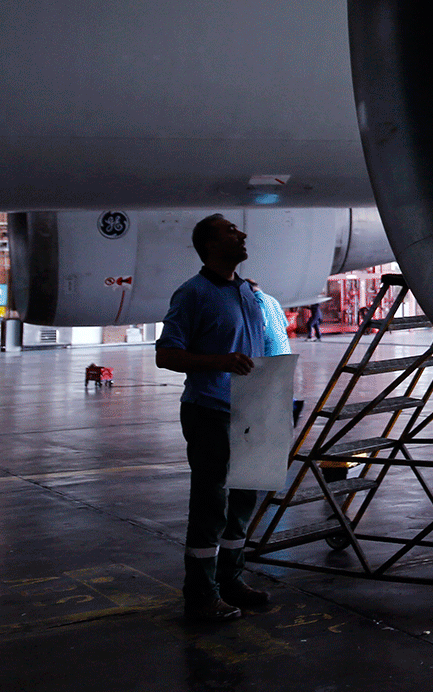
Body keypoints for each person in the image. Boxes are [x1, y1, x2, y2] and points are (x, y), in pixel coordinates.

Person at [155, 214, 273, 621]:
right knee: (211, 504)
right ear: (207, 245)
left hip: (249, 409)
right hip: (210, 410)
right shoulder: (192, 294)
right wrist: (219, 362)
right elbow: (166, 354)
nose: (242, 233)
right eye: (229, 230)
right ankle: (201, 593)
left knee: (243, 501)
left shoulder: (246, 292)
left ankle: (231, 580)